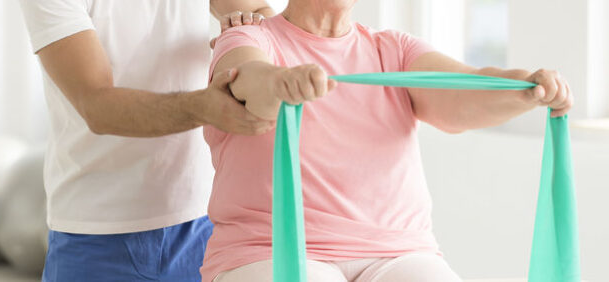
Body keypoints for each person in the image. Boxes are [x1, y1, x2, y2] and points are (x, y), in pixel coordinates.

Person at [201, 0, 573, 281]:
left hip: (398, 251)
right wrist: (278, 84)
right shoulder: (249, 37)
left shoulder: (392, 49)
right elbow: (246, 85)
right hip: (267, 247)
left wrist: (527, 88)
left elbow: (464, 89)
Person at [16, 1, 277, 281]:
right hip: (96, 233)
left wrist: (242, 41)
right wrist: (207, 107)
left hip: (201, 221)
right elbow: (97, 105)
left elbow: (262, 15)